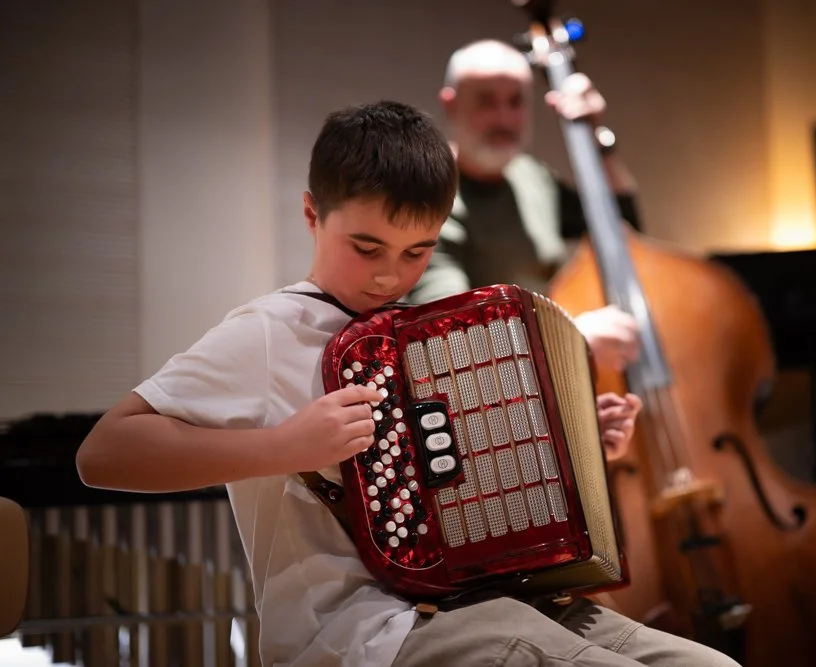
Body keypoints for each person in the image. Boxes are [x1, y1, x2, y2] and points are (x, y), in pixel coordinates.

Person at [75, 100, 737, 667]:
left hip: (496, 600)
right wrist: (284, 447)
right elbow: (104, 452)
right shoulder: (269, 330)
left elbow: (474, 490)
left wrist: (580, 443)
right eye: (367, 248)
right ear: (311, 214)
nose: (391, 275)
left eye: (418, 251)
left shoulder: (428, 337)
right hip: (363, 633)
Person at [407, 39, 645, 375]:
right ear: (451, 104)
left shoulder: (533, 176)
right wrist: (570, 339)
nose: (504, 118)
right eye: (486, 101)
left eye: (515, 101)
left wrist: (596, 136)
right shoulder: (426, 196)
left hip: (556, 378)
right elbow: (450, 333)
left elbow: (624, 229)